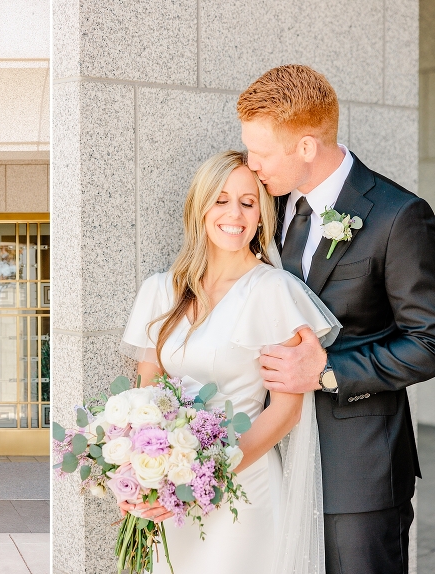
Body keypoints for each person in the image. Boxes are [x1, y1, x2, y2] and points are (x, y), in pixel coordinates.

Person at [237, 64, 435, 574]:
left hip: (357, 468)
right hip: (271, 463)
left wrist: (326, 371)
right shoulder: (266, 207)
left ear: (305, 146)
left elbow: (429, 341)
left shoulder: (398, 216)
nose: (251, 165)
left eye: (261, 152)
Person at [119, 150, 340, 573]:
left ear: (261, 216)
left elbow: (286, 411)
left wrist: (209, 476)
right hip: (170, 495)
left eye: (248, 201)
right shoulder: (160, 290)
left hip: (244, 489)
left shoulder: (273, 290)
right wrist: (137, 478)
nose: (234, 214)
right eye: (220, 200)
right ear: (199, 208)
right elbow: (142, 397)